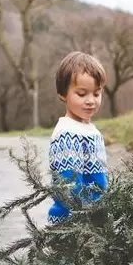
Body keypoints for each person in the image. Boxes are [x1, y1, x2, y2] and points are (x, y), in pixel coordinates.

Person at [47, 51, 109, 224]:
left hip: (94, 217)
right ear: (63, 95)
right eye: (82, 94)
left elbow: (98, 180)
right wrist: (85, 220)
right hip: (74, 222)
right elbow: (69, 186)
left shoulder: (89, 130)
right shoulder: (67, 133)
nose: (91, 101)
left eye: (96, 94)